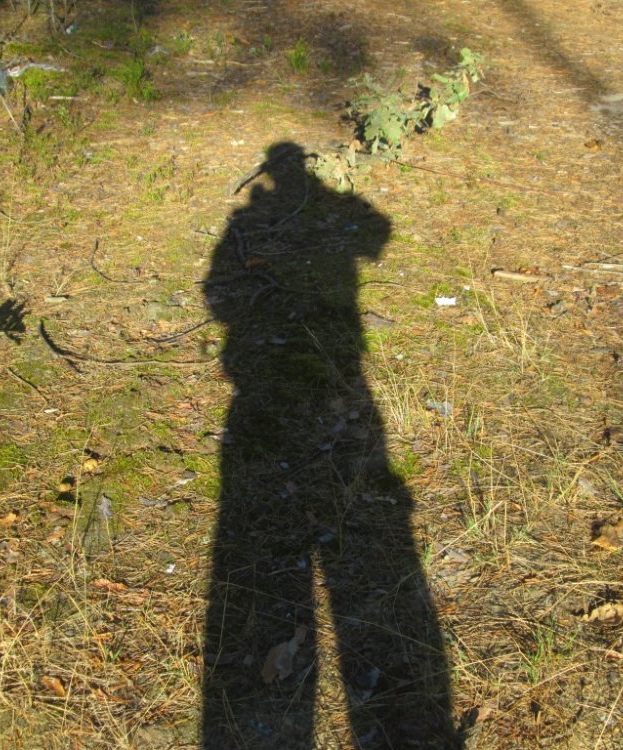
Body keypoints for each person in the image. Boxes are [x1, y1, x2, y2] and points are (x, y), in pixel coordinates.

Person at [201, 142, 459, 749]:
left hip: (316, 363)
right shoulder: (266, 215)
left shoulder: (271, 212)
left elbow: (377, 234)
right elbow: (376, 235)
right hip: (320, 364)